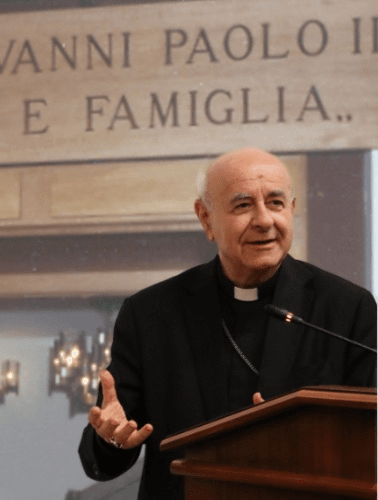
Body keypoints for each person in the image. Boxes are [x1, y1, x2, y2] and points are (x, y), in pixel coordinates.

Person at [78, 147, 376, 499]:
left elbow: (368, 442)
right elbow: (104, 457)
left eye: (276, 203)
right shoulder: (149, 314)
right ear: (206, 219)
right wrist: (111, 438)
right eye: (243, 205)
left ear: (292, 209)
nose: (264, 220)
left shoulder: (346, 308)